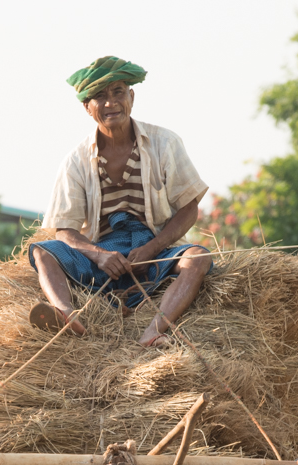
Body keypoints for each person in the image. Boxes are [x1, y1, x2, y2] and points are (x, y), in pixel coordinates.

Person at [29, 56, 212, 347]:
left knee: (198, 257)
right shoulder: (74, 161)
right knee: (42, 251)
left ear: (132, 96)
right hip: (104, 254)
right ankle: (65, 313)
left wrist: (153, 247)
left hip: (154, 247)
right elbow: (64, 229)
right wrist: (99, 255)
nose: (110, 103)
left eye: (118, 92)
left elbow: (189, 208)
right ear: (87, 108)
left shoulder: (165, 143)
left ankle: (153, 330)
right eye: (99, 97)